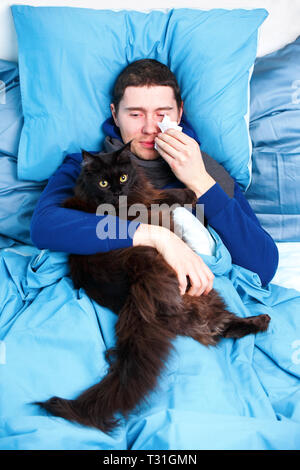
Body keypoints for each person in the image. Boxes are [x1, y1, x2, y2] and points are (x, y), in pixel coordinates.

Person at [30, 59, 278, 297]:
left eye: (162, 114)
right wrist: (155, 236)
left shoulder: (208, 171)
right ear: (115, 115)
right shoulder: (86, 167)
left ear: (179, 113)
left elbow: (263, 267)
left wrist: (200, 182)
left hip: (188, 300)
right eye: (135, 115)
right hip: (113, 290)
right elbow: (43, 226)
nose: (150, 128)